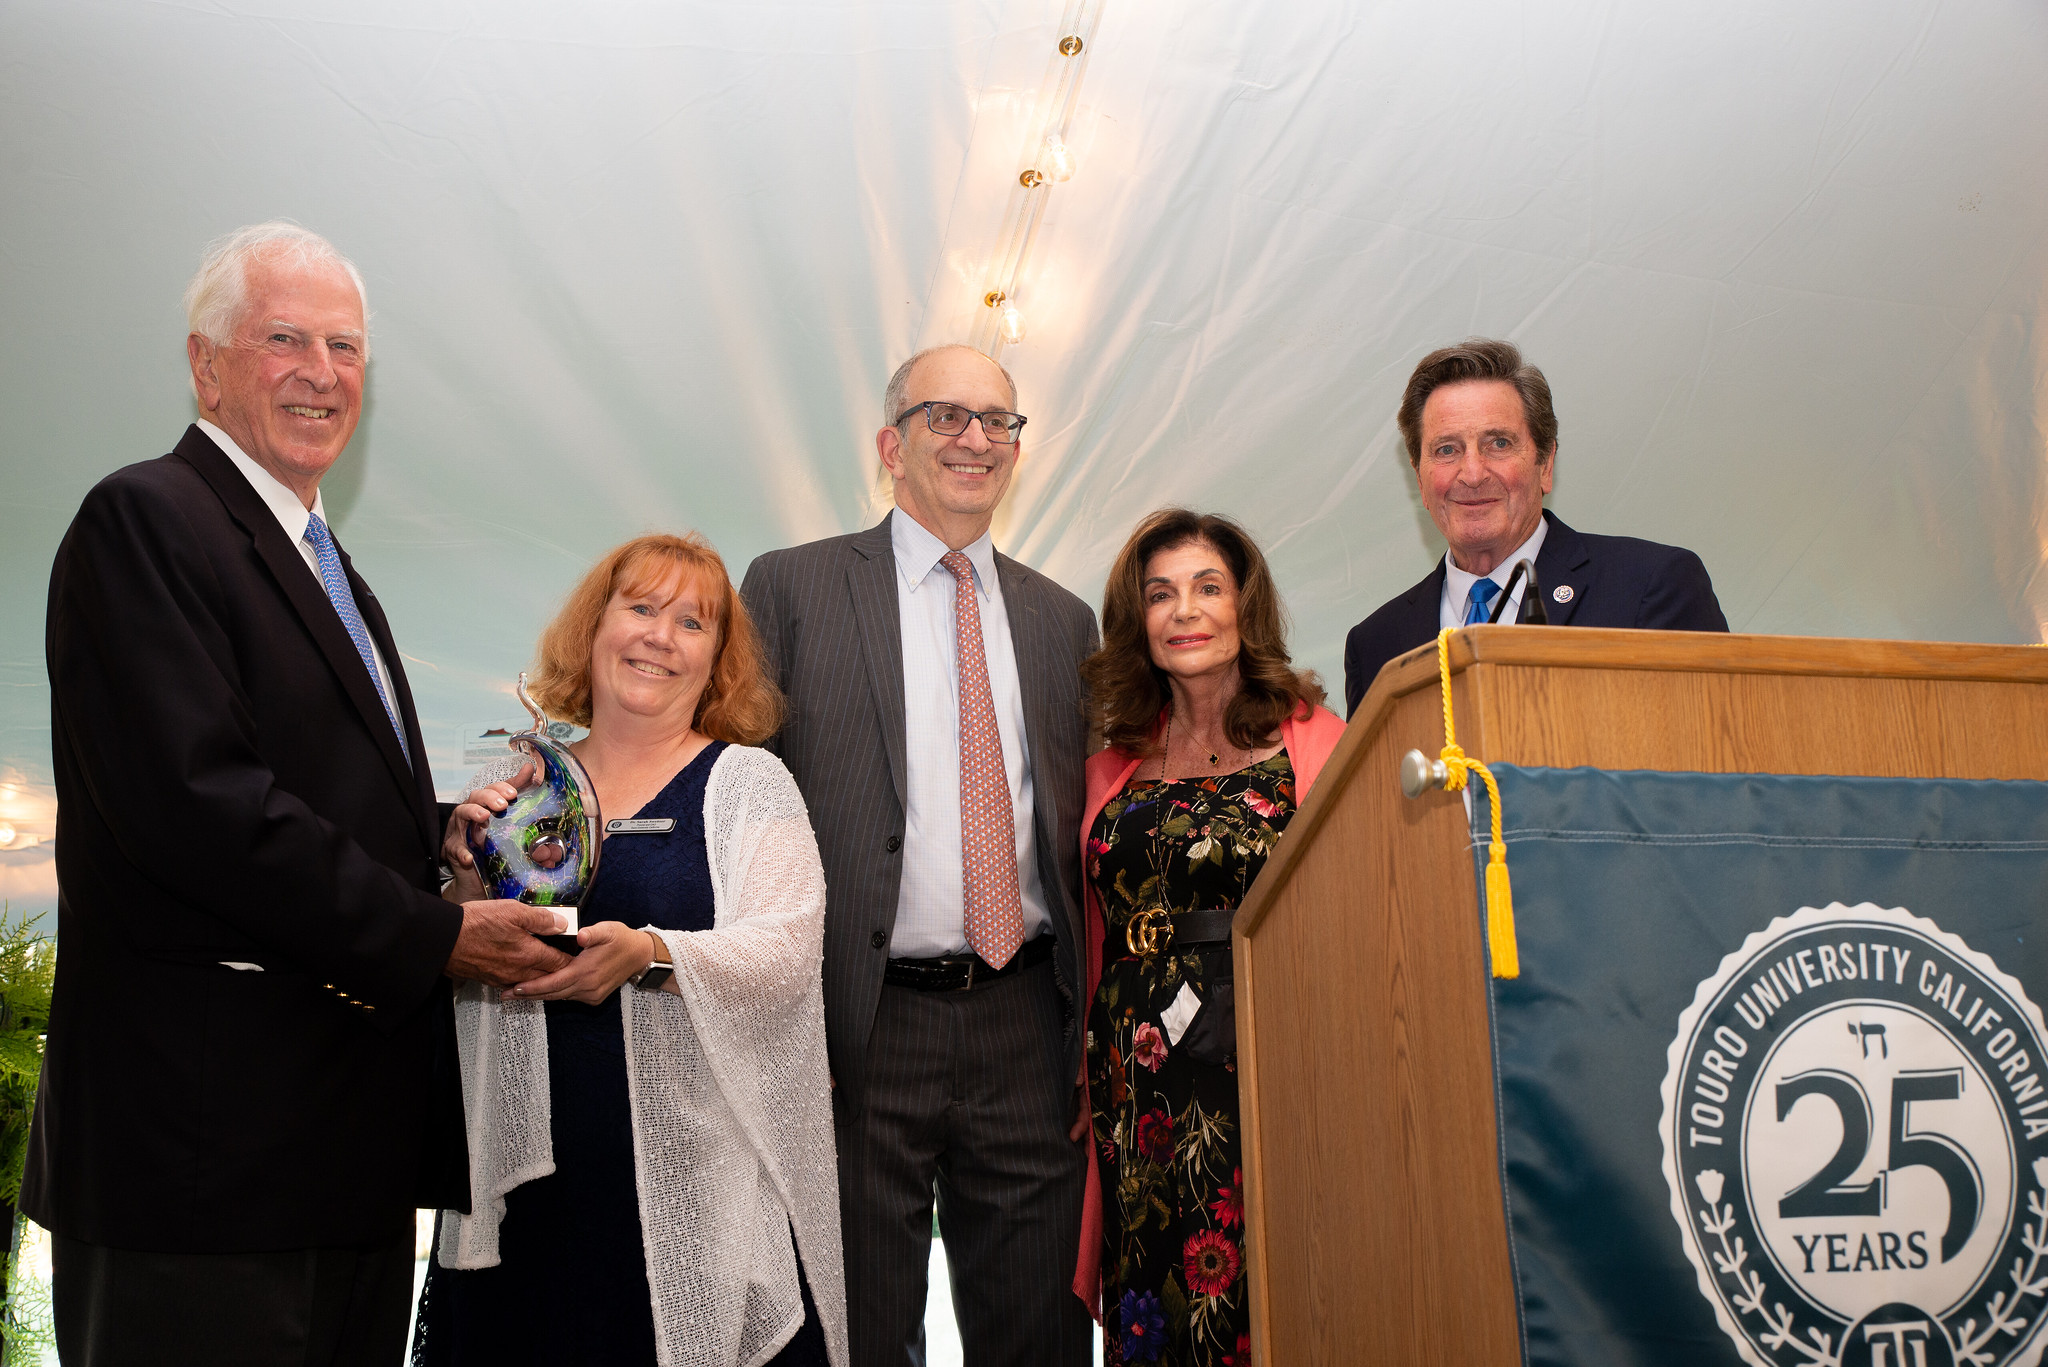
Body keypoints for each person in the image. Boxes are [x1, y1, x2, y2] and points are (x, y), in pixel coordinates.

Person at [28, 222, 568, 1367]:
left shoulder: (335, 572)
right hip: (203, 1165)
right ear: (206, 364)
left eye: (347, 347)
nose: (322, 372)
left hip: (332, 1161)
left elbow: (303, 789)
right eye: (284, 339)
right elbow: (198, 805)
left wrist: (443, 837)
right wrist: (434, 932)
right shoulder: (146, 520)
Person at [740, 345, 1098, 1364]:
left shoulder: (1062, 620)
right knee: (857, 1324)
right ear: (890, 445)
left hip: (1025, 1024)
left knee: (1037, 1328)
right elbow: (732, 787)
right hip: (858, 1024)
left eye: (998, 420)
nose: (975, 438)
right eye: (946, 415)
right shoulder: (792, 587)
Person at [414, 533, 846, 1367]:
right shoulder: (518, 777)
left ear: (718, 658)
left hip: (691, 1208)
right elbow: (463, 940)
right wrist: (464, 880)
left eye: (692, 622)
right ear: (594, 628)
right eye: (641, 608)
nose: (660, 636)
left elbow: (788, 949)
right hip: (527, 1203)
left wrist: (651, 953)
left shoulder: (750, 783)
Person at [1075, 510, 1345, 1366]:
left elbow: (1351, 904)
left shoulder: (1311, 738)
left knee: (1265, 1287)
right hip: (1135, 1077)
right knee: (1152, 1292)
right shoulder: (1114, 757)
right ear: (1139, 620)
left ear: (1244, 607)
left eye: (1207, 587)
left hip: (1266, 1058)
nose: (1184, 610)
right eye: (1161, 594)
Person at [1343, 338, 1729, 714]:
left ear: (1545, 464)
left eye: (1498, 444)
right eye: (1447, 450)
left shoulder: (1650, 586)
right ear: (1420, 479)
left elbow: (1715, 757)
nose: (1473, 474)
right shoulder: (1376, 644)